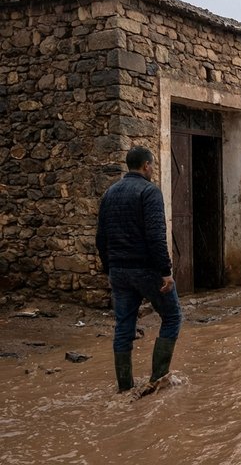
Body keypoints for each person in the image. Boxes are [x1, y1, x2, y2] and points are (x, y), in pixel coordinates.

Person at [96, 146, 182, 395]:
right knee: (172, 317)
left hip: (119, 270)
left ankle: (125, 387)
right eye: (152, 165)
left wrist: (109, 269)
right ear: (146, 165)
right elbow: (156, 236)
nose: (153, 169)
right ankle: (157, 379)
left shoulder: (110, 193)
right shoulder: (149, 191)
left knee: (124, 326)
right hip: (145, 269)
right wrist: (165, 271)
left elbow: (101, 237)